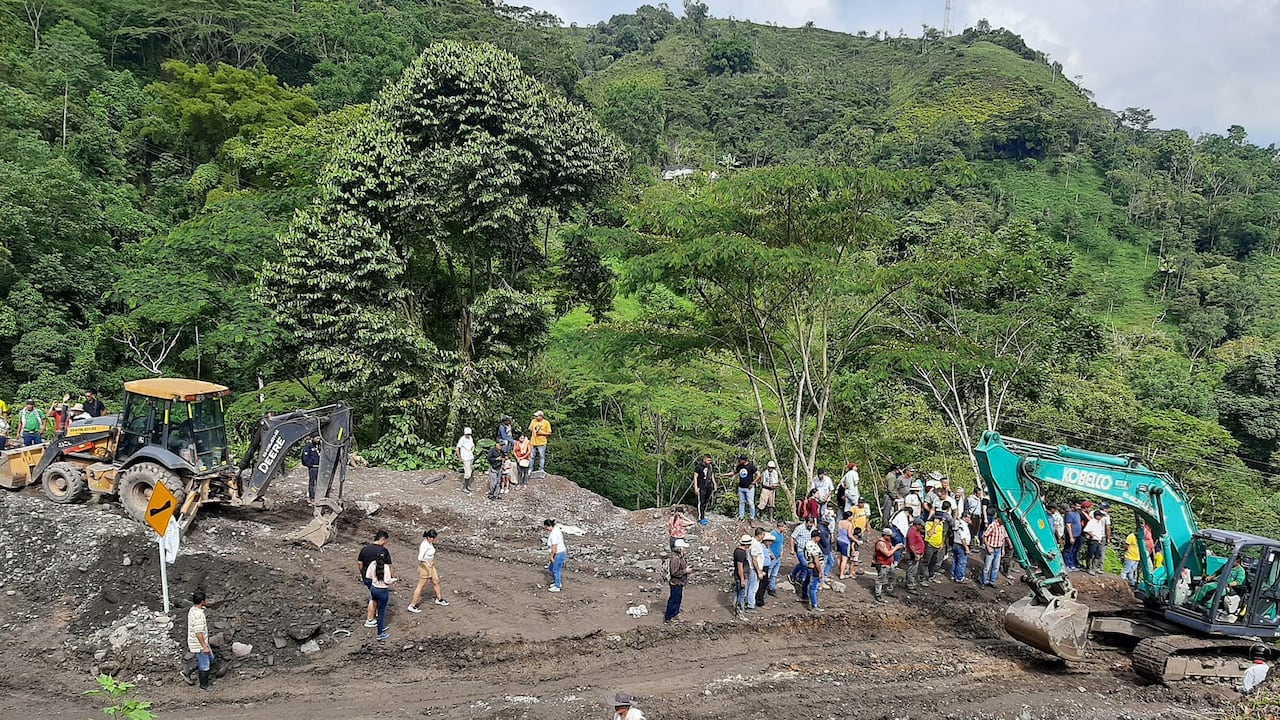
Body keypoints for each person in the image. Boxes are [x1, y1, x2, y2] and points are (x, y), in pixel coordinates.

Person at [407, 529, 449, 612]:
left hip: (431, 565)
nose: (434, 540)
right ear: (429, 537)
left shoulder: (430, 543)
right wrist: (426, 563)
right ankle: (412, 605)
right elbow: (420, 558)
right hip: (425, 567)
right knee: (421, 585)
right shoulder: (424, 545)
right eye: (433, 538)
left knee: (436, 581)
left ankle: (439, 599)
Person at [357, 531, 392, 628]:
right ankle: (370, 619)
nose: (385, 543)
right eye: (386, 541)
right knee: (374, 598)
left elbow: (360, 564)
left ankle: (374, 614)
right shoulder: (383, 551)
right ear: (383, 539)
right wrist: (391, 578)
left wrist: (363, 573)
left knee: (374, 596)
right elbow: (388, 566)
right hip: (378, 579)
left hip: (367, 578)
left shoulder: (364, 549)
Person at [365, 543, 398, 640]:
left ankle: (381, 626)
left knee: (377, 608)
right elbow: (387, 580)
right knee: (382, 612)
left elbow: (368, 576)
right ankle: (380, 633)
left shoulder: (372, 564)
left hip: (374, 589)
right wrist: (394, 580)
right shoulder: (386, 567)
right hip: (382, 591)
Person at [184, 589, 215, 691]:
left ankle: (188, 671)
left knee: (211, 659)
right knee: (205, 665)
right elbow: (198, 633)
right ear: (202, 601)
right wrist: (204, 646)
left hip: (199, 642)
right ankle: (204, 685)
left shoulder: (193, 609)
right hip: (199, 644)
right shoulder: (199, 616)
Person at [873, 527, 902, 603]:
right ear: (885, 535)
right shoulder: (880, 543)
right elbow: (887, 553)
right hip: (882, 563)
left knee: (892, 577)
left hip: (889, 563)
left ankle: (889, 590)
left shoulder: (888, 541)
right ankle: (878, 594)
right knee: (880, 579)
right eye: (889, 536)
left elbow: (890, 549)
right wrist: (895, 548)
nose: (890, 537)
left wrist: (897, 547)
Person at [665, 543, 690, 623]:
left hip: (680, 582)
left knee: (678, 599)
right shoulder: (675, 559)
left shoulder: (681, 558)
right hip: (676, 583)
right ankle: (668, 617)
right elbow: (674, 572)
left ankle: (675, 613)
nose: (686, 550)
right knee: (673, 600)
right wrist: (685, 571)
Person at [982, 517, 1008, 587]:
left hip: (998, 549)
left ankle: (992, 581)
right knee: (987, 567)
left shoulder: (1003, 527)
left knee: (996, 567)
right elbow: (984, 536)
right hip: (991, 548)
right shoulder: (992, 525)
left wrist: (1003, 549)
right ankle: (984, 582)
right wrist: (988, 547)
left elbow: (1003, 539)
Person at [804, 529, 825, 611]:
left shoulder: (808, 544)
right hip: (814, 569)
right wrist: (820, 572)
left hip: (810, 566)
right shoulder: (813, 546)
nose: (820, 539)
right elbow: (816, 560)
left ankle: (805, 596)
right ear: (816, 537)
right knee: (813, 587)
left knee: (807, 582)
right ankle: (814, 605)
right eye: (819, 537)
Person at [691, 455, 717, 525]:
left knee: (706, 501)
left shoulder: (710, 467)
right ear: (704, 460)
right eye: (708, 460)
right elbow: (695, 477)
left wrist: (714, 483)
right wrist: (696, 487)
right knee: (701, 502)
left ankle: (703, 515)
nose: (709, 462)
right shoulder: (699, 467)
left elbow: (712, 475)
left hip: (708, 486)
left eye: (710, 460)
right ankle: (700, 517)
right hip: (701, 487)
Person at [544, 519, 566, 592]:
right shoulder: (556, 530)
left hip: (558, 553)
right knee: (551, 568)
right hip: (560, 552)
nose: (546, 529)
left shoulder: (554, 535)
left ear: (549, 526)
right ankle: (557, 582)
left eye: (546, 527)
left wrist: (551, 556)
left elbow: (554, 548)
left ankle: (557, 586)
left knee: (556, 570)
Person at [747, 527, 767, 610]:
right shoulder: (755, 544)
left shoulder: (754, 542)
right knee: (753, 587)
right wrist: (759, 571)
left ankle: (749, 603)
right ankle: (750, 605)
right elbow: (754, 559)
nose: (764, 536)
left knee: (752, 586)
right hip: (754, 569)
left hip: (754, 568)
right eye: (763, 535)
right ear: (759, 535)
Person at [733, 534, 751, 619]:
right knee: (742, 594)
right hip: (740, 576)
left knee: (737, 592)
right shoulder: (741, 553)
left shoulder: (737, 550)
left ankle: (736, 610)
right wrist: (742, 579)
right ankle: (740, 612)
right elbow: (740, 567)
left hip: (738, 575)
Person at [735, 455, 758, 521]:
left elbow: (758, 474)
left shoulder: (751, 466)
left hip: (749, 488)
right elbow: (734, 472)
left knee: (751, 503)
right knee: (741, 502)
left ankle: (752, 518)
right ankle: (741, 516)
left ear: (744, 460)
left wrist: (753, 483)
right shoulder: (739, 466)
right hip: (741, 487)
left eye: (741, 460)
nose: (739, 461)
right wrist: (724, 475)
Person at [952, 512, 972, 583]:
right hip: (961, 545)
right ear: (965, 517)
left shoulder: (957, 523)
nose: (970, 519)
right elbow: (963, 538)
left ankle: (954, 575)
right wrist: (966, 548)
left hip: (955, 543)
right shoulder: (963, 525)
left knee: (955, 560)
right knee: (962, 562)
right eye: (968, 517)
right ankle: (959, 577)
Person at [301, 436, 321, 505]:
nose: (318, 440)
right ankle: (312, 497)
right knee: (312, 482)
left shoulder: (319, 446)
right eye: (317, 438)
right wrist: (310, 465)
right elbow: (305, 457)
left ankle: (319, 496)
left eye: (319, 438)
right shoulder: (309, 446)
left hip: (320, 467)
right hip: (313, 467)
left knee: (319, 482)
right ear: (313, 438)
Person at [836, 510, 855, 580]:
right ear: (849, 517)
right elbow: (850, 535)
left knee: (839, 557)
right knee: (844, 559)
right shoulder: (849, 524)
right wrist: (856, 540)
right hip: (845, 542)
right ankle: (842, 574)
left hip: (839, 540)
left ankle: (840, 571)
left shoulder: (840, 522)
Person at [456, 427, 475, 495]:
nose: (468, 435)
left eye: (469, 434)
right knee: (467, 473)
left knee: (470, 471)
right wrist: (460, 458)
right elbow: (457, 448)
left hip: (470, 456)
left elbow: (472, 446)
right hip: (465, 457)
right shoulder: (462, 439)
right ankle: (464, 487)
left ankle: (467, 486)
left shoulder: (470, 438)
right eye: (467, 434)